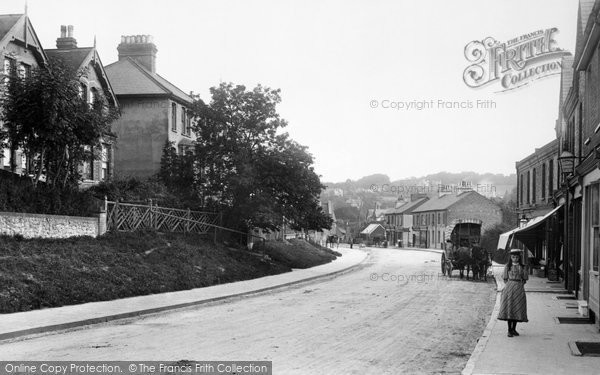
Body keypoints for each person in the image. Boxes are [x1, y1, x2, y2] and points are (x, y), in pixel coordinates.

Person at [497, 249, 528, 337]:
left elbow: (525, 278)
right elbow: (505, 278)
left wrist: (519, 285)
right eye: (513, 257)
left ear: (519, 258)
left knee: (517, 307)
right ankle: (509, 330)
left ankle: (514, 329)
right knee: (510, 308)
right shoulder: (508, 266)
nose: (515, 259)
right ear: (511, 257)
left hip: (519, 288)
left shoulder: (522, 266)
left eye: (517, 257)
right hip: (509, 289)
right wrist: (510, 285)